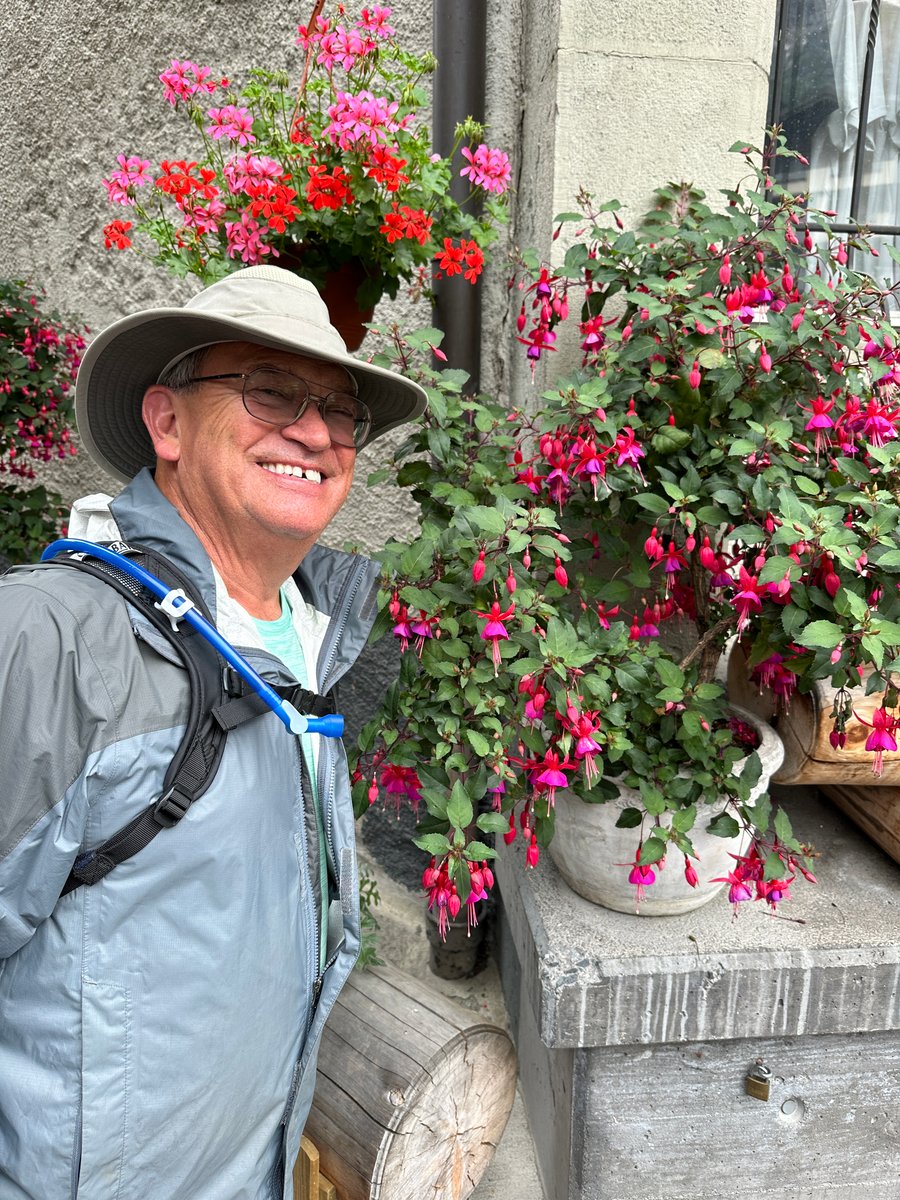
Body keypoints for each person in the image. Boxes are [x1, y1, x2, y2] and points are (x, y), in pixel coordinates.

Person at [0, 265, 426, 1200]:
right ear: (167, 423)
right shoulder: (51, 640)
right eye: (270, 390)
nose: (315, 433)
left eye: (339, 410)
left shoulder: (317, 640)